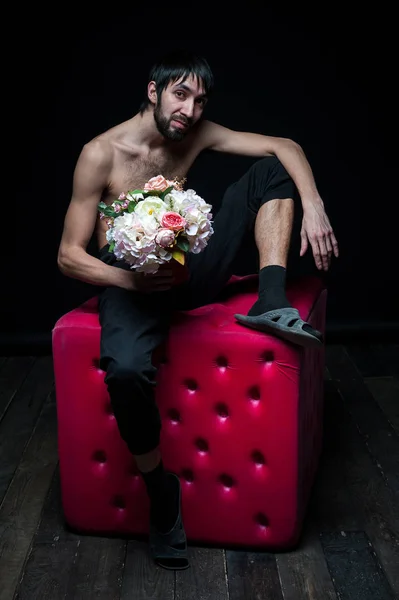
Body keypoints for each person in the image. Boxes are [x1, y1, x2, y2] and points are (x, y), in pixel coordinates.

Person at [57, 49, 339, 570]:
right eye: (180, 95)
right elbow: (68, 256)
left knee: (271, 172)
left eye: (200, 100)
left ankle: (272, 304)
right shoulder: (101, 153)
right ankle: (162, 496)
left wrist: (315, 205)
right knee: (124, 371)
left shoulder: (195, 132)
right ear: (153, 91)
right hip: (130, 281)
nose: (190, 109)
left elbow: (285, 145)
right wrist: (130, 279)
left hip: (188, 271)